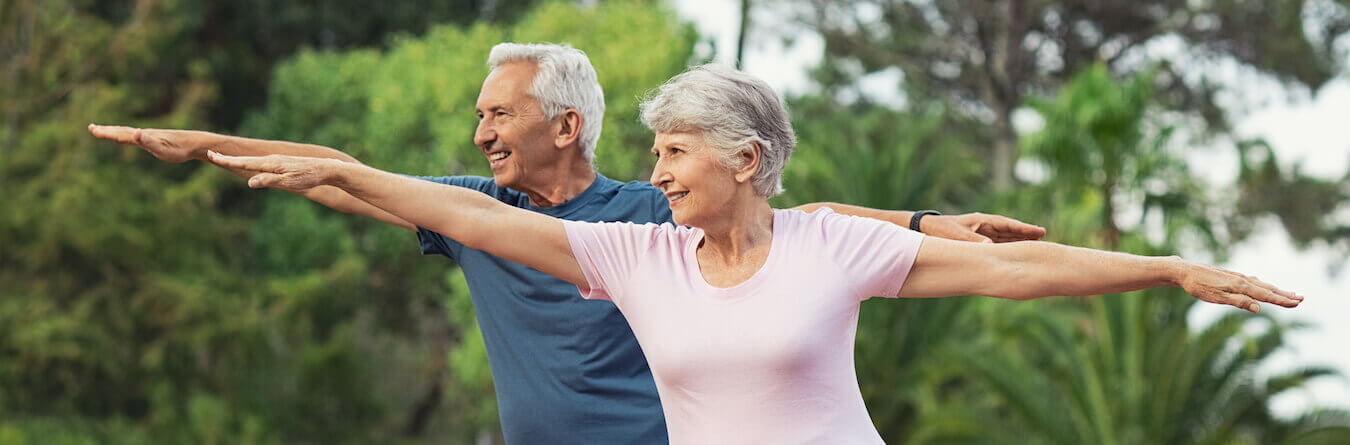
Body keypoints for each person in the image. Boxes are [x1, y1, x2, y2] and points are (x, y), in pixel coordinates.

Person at [200, 63, 1303, 444]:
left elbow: (1016, 271)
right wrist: (331, 166)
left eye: (676, 151)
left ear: (745, 158)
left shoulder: (831, 245)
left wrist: (1165, 269)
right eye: (655, 153)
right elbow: (485, 219)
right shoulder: (639, 257)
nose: (662, 170)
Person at [88, 43, 1047, 443]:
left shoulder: (650, 217)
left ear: (566, 126)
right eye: (478, 117)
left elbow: (803, 224)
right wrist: (205, 146)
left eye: (499, 114)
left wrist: (922, 225)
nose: (481, 135)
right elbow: (341, 165)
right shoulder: (473, 215)